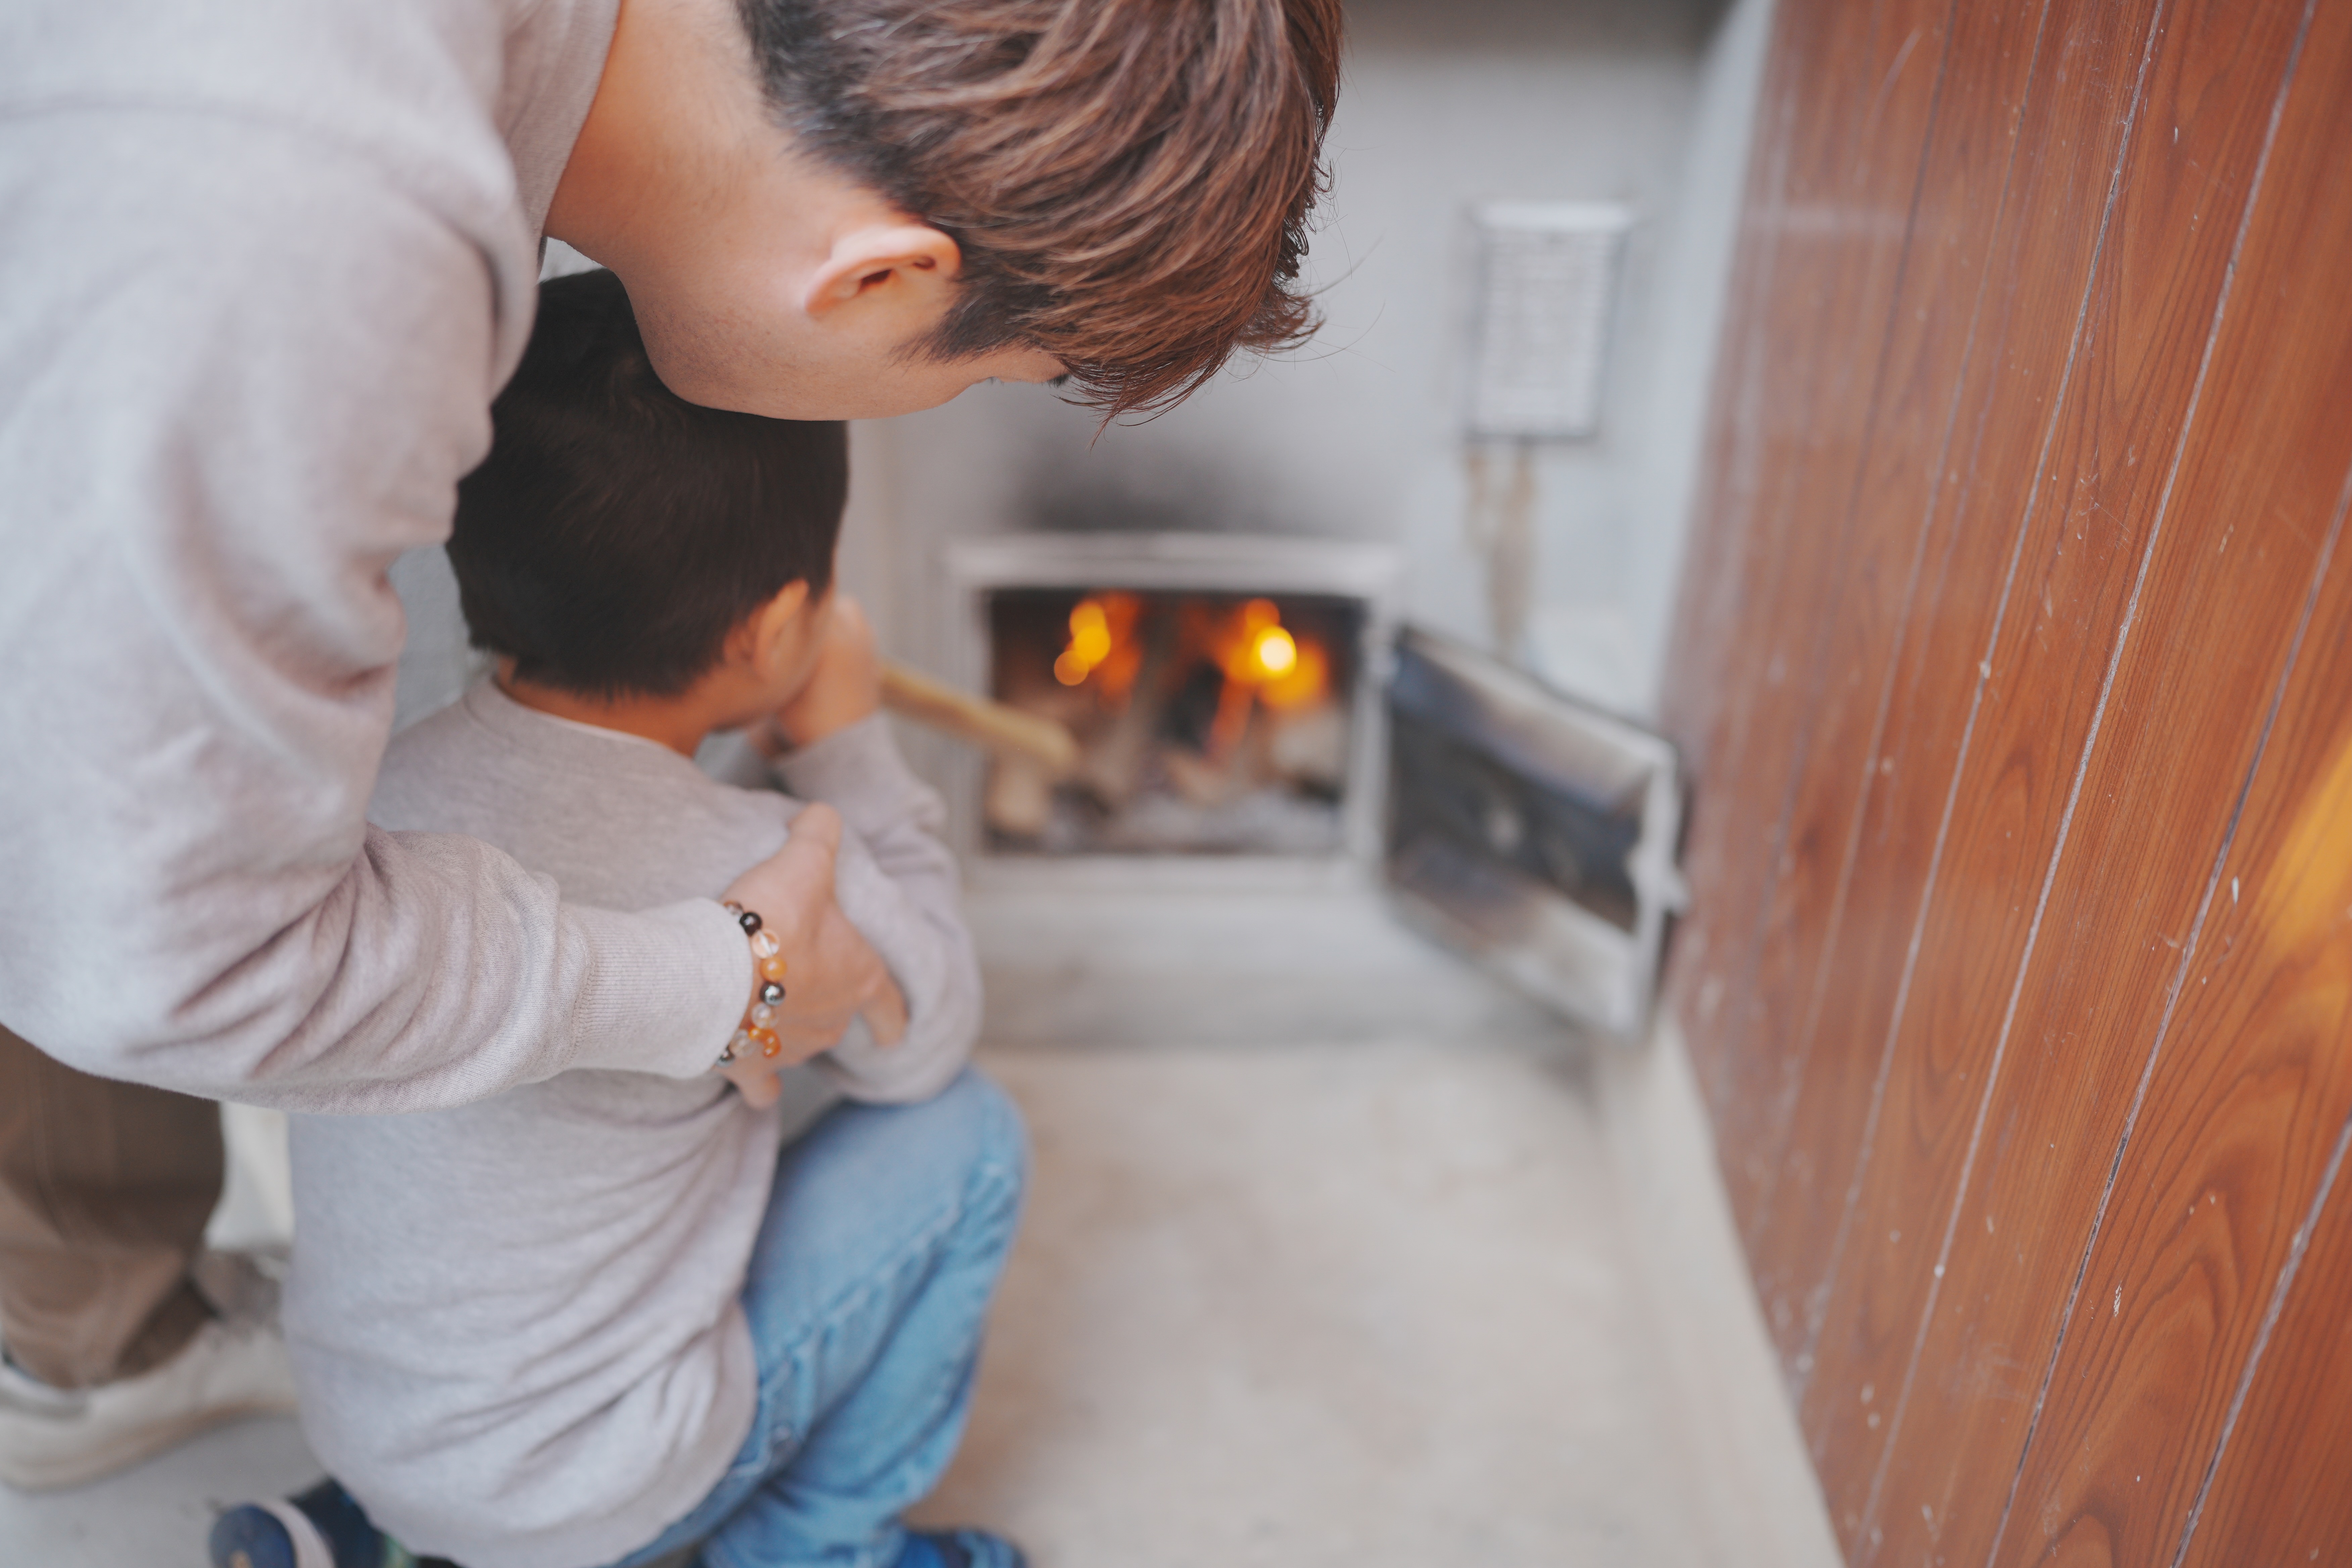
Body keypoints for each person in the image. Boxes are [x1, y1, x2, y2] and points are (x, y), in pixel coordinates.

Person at [0, 0, 1342, 1489]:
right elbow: (163, 959)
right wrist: (735, 976)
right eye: (972, 375)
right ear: (884, 275)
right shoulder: (318, 243)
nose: (939, 402)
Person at [211, 269, 1016, 1568]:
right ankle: (819, 1550)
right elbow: (927, 1035)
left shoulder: (379, 801)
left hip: (384, 1436)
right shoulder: (775, 865)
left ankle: (371, 1534)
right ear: (774, 632)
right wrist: (847, 746)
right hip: (593, 1497)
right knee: (972, 1137)